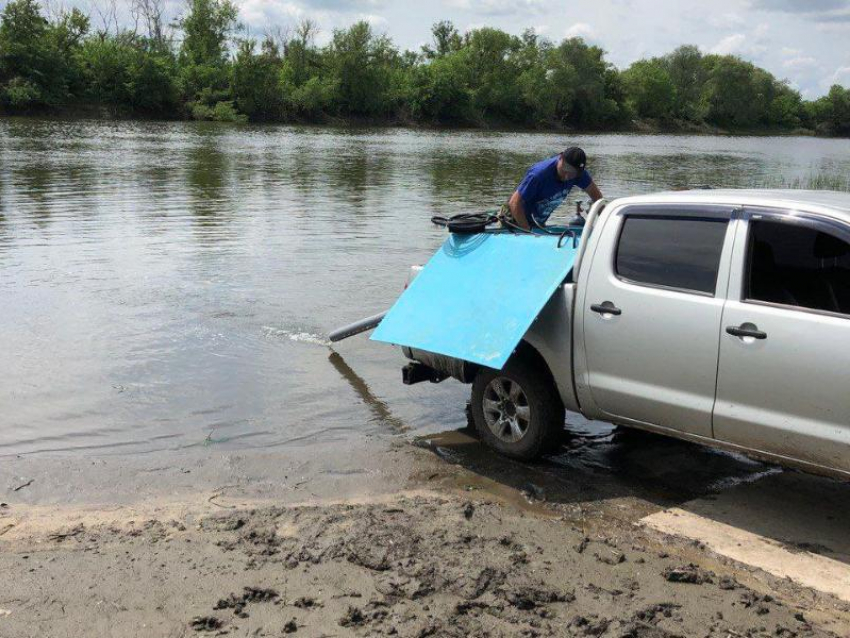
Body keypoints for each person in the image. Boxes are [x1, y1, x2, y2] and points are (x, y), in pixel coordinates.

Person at [504, 147, 603, 230]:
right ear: (560, 158)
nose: (567, 176)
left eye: (573, 173)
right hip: (515, 219)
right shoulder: (539, 174)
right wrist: (528, 233)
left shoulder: (579, 174)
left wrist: (604, 224)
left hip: (537, 223)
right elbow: (514, 202)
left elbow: (597, 197)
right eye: (566, 169)